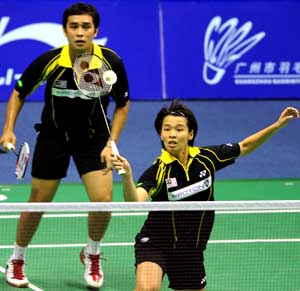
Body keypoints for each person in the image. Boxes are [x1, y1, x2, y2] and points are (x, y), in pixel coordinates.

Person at [0, 2, 130, 289]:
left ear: (95, 30)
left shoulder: (110, 62)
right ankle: (17, 258)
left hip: (94, 139)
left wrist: (112, 142)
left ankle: (92, 253)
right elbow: (19, 92)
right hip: (54, 136)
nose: (80, 32)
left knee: (103, 201)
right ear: (65, 30)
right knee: (38, 201)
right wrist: (8, 128)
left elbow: (123, 104)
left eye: (86, 26)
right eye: (74, 26)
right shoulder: (50, 60)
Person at [111, 99, 299, 291]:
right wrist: (127, 176)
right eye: (166, 129)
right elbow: (136, 201)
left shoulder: (207, 158)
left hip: (190, 250)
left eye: (178, 129)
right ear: (161, 134)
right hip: (156, 243)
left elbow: (245, 147)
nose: (172, 134)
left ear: (190, 133)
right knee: (146, 289)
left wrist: (277, 125)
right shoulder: (157, 171)